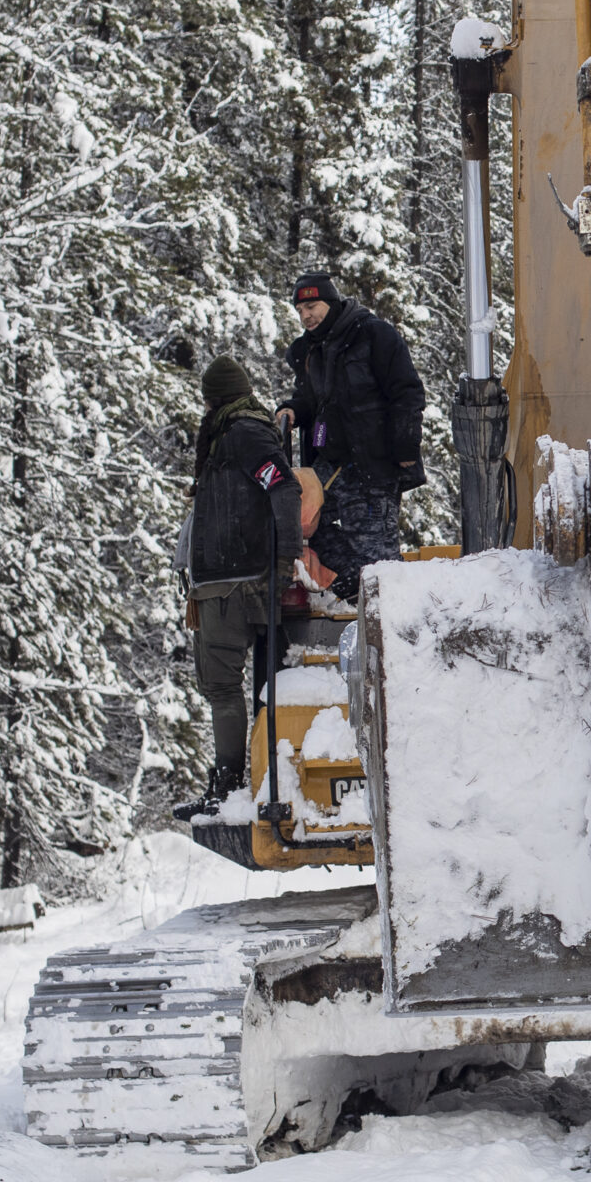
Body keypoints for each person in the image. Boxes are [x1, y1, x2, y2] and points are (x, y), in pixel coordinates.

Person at [175, 358, 304, 819]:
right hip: (229, 580)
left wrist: (285, 557)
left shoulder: (241, 435)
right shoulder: (236, 434)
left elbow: (283, 487)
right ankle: (241, 783)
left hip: (233, 583)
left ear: (214, 399)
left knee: (222, 687)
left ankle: (228, 787)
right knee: (238, 687)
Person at [279, 273, 426, 600]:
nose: (306, 316)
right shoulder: (309, 351)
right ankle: (357, 588)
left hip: (374, 466)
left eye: (312, 306)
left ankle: (390, 611)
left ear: (331, 303)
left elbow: (407, 393)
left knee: (377, 555)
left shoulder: (374, 335)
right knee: (301, 526)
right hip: (330, 468)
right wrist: (290, 410)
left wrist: (404, 447)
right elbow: (308, 400)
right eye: (299, 310)